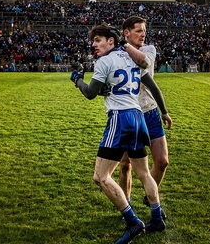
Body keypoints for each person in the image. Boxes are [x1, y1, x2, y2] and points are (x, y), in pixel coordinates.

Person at [71, 24, 168, 243]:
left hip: (120, 118)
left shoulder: (104, 61)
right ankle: (156, 216)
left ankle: (133, 221)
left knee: (101, 177)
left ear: (111, 41)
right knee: (143, 172)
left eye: (98, 40)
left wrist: (77, 80)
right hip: (137, 117)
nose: (94, 45)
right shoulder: (131, 58)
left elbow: (90, 93)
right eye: (93, 41)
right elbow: (147, 82)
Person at [118, 16, 173, 217]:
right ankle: (127, 208)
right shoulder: (117, 53)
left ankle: (150, 194)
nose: (143, 34)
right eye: (138, 31)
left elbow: (143, 62)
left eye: (144, 31)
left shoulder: (149, 49)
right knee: (125, 165)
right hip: (129, 114)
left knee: (162, 161)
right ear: (126, 32)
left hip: (149, 111)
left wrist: (164, 111)